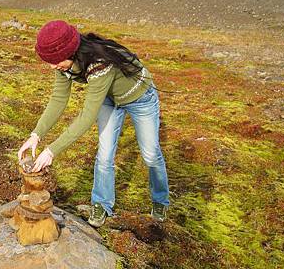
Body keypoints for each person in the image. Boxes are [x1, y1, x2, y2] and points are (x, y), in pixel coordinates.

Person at [17, 20, 170, 228]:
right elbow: (58, 99)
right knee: (105, 154)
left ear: (71, 52)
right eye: (49, 61)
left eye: (55, 61)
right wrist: (36, 135)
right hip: (108, 99)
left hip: (139, 97)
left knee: (150, 154)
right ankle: (102, 203)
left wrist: (52, 151)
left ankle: (160, 200)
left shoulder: (99, 62)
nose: (53, 66)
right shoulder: (63, 63)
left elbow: (87, 116)